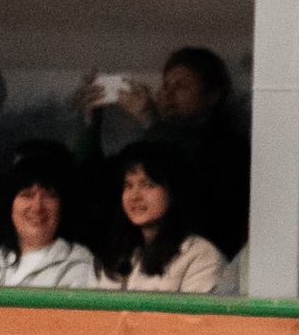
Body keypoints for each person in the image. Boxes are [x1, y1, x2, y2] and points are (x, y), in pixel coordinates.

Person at [75, 47, 250, 260]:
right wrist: (91, 123)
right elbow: (90, 184)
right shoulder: (152, 141)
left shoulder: (228, 148)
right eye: (165, 86)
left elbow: (191, 187)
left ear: (212, 96)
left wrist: (150, 120)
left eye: (181, 86)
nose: (167, 94)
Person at [0, 159, 101, 290]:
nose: (37, 206)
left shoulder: (80, 265)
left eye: (49, 195)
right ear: (9, 205)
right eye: (27, 195)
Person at [99, 142, 230, 295]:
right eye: (128, 186)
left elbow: (195, 319)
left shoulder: (201, 256)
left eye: (148, 185)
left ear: (174, 191)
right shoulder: (121, 253)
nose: (134, 196)